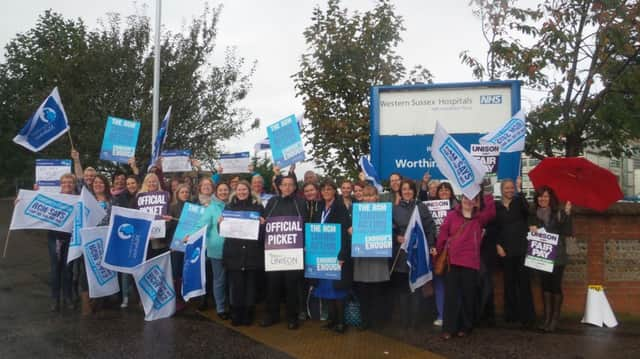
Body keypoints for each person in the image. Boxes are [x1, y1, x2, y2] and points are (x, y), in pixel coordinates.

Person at [436, 190, 496, 340]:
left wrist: (487, 192)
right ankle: (448, 328)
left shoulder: (479, 218)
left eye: (472, 199)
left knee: (468, 296)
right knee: (451, 297)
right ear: (461, 199)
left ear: (476, 201)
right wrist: (438, 253)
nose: (468, 201)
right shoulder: (451, 215)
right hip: (452, 262)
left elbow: (491, 212)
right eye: (466, 198)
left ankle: (465, 326)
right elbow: (443, 235)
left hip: (470, 262)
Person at [261, 175, 309, 330]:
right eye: (284, 184)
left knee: (291, 286)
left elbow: (306, 224)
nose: (287, 187)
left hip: (293, 252)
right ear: (279, 187)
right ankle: (272, 315)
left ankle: (292, 317)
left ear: (295, 187)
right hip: (274, 251)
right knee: (273, 285)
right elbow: (265, 221)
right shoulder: (272, 202)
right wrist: (263, 223)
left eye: (291, 185)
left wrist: (305, 243)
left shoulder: (300, 203)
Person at [391, 179, 437, 329]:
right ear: (400, 192)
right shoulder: (395, 209)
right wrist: (396, 237)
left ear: (414, 191)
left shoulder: (420, 207)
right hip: (401, 254)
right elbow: (390, 229)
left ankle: (415, 322)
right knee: (403, 288)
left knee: (417, 288)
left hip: (418, 253)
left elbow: (430, 227)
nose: (407, 191)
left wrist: (430, 245)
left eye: (410, 189)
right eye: (404, 189)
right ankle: (405, 320)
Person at [309, 180, 352, 333]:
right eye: (324, 189)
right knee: (325, 289)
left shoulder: (340, 207)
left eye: (329, 189)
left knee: (337, 290)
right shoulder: (319, 207)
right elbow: (314, 228)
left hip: (336, 255)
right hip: (321, 254)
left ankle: (341, 322)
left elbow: (346, 234)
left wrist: (342, 256)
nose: (326, 192)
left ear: (335, 191)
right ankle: (332, 319)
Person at [222, 180, 265, 326]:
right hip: (234, 253)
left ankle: (248, 314)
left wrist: (263, 224)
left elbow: (263, 233)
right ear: (236, 191)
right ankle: (236, 313)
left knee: (250, 287)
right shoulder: (229, 207)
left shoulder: (257, 207)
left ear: (249, 191)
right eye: (239, 190)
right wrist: (219, 223)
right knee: (236, 287)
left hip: (252, 254)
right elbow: (222, 232)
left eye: (244, 190)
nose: (242, 192)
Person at [530, 186, 572, 333]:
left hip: (558, 256)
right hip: (541, 257)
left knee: (555, 286)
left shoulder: (559, 213)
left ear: (551, 198)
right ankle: (547, 319)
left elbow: (567, 232)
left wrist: (567, 215)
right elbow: (528, 231)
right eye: (540, 197)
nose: (543, 199)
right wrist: (531, 228)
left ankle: (555, 320)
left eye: (546, 196)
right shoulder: (533, 214)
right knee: (545, 286)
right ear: (537, 199)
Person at [494, 177, 535, 327]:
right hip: (506, 249)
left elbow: (529, 211)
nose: (510, 190)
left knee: (524, 283)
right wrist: (498, 245)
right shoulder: (496, 206)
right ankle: (511, 315)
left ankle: (527, 316)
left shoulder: (519, 202)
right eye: (507, 188)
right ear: (501, 190)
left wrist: (520, 190)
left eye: (512, 188)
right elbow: (495, 228)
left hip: (522, 247)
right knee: (509, 283)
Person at [352, 184, 390, 330]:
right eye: (366, 196)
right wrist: (350, 230)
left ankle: (376, 321)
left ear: (376, 197)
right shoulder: (355, 211)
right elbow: (347, 229)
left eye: (371, 195)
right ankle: (364, 320)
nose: (368, 198)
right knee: (363, 291)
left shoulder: (385, 211)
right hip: (361, 257)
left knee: (377, 292)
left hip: (377, 257)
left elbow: (391, 229)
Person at [193, 180, 228, 318]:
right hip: (217, 249)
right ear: (216, 192)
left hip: (234, 250)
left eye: (225, 190)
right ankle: (220, 308)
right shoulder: (211, 208)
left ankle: (230, 304)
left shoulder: (233, 206)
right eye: (220, 190)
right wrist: (190, 236)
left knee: (231, 280)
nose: (223, 192)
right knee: (219, 280)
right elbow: (201, 225)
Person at [79, 174, 113, 316]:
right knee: (86, 272)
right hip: (89, 240)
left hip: (106, 240)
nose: (98, 185)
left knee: (103, 271)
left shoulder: (112, 201)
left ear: (105, 185)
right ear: (92, 185)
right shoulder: (86, 199)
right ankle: (86, 304)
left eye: (101, 183)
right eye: (95, 183)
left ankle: (99, 300)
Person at [47, 173, 77, 312]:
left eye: (70, 182)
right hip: (55, 238)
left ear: (74, 184)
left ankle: (67, 297)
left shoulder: (78, 199)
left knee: (68, 270)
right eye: (64, 182)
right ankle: (55, 299)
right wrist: (20, 201)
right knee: (55, 270)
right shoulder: (53, 198)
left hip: (71, 238)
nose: (67, 184)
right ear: (61, 184)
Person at [431, 181, 458, 327]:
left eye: (446, 189)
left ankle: (454, 315)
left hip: (455, 251)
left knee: (454, 284)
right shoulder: (431, 206)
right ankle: (441, 314)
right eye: (441, 190)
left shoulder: (458, 208)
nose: (443, 192)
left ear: (451, 192)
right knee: (439, 283)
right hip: (437, 250)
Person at [167, 183, 192, 311]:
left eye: (187, 192)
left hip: (190, 243)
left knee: (185, 270)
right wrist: (169, 221)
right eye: (182, 192)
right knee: (175, 271)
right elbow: (169, 228)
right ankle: (176, 297)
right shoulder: (172, 207)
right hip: (176, 245)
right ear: (177, 193)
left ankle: (185, 295)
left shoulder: (194, 207)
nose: (185, 194)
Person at [135, 173, 172, 258]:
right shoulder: (139, 197)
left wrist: (168, 219)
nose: (152, 184)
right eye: (149, 182)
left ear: (158, 183)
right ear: (145, 183)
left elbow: (169, 212)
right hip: (144, 237)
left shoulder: (165, 195)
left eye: (154, 182)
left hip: (160, 237)